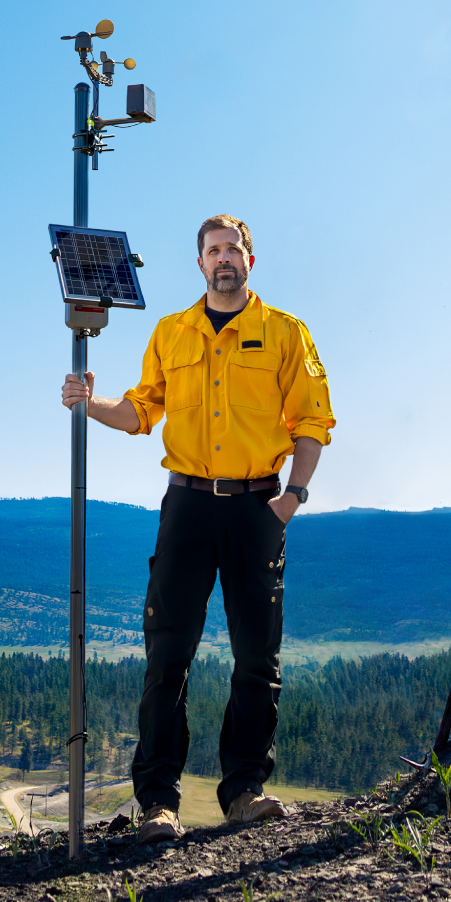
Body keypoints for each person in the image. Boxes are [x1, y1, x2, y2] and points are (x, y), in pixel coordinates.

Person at [59, 213, 334, 844]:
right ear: (201, 264)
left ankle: (243, 792)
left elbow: (313, 422)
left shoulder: (286, 333)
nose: (223, 259)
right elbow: (140, 411)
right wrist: (89, 401)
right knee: (168, 655)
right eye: (212, 251)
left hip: (256, 507)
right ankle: (158, 803)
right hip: (185, 508)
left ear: (249, 262)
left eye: (233, 249)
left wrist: (293, 497)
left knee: (258, 659)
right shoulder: (171, 333)